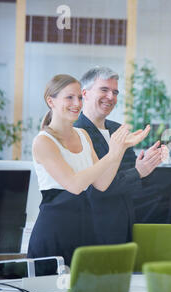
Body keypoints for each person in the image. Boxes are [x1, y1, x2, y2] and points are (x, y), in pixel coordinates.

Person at [27, 74, 149, 266]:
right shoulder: (43, 141)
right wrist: (112, 153)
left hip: (85, 229)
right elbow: (75, 184)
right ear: (51, 101)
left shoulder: (83, 135)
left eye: (79, 97)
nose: (77, 103)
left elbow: (102, 183)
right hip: (54, 230)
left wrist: (121, 149)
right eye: (69, 97)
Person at [74, 66, 167, 243]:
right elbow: (95, 188)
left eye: (115, 92)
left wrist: (145, 163)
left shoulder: (118, 129)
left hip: (124, 226)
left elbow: (132, 182)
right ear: (85, 94)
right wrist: (138, 172)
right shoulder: (76, 133)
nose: (111, 97)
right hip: (92, 230)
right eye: (104, 90)